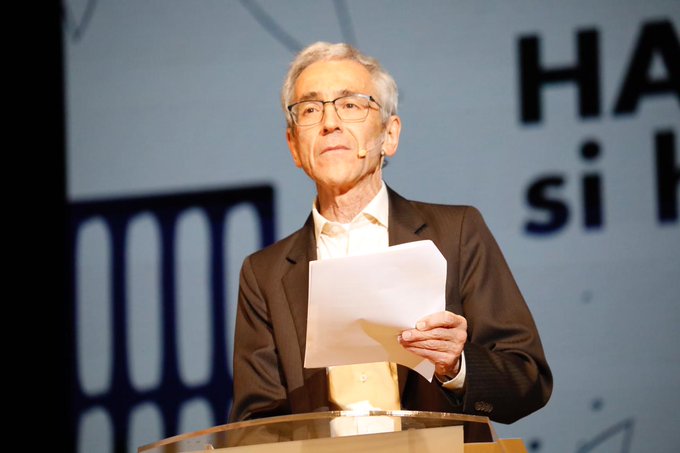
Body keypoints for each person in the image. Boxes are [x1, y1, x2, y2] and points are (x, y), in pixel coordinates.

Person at [229, 42, 552, 426]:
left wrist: (456, 366)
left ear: (390, 135)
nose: (330, 122)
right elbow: (257, 424)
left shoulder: (457, 234)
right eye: (311, 109)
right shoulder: (264, 274)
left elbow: (527, 379)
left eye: (350, 105)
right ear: (294, 146)